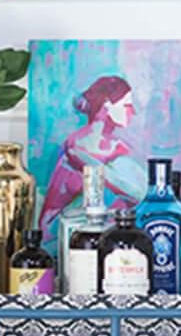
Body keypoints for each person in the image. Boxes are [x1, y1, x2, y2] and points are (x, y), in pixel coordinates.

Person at [37, 75, 146, 239]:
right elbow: (134, 192)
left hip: (99, 231)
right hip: (63, 232)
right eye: (127, 105)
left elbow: (139, 193)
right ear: (107, 105)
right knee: (111, 198)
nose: (132, 112)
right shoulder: (76, 146)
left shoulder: (118, 147)